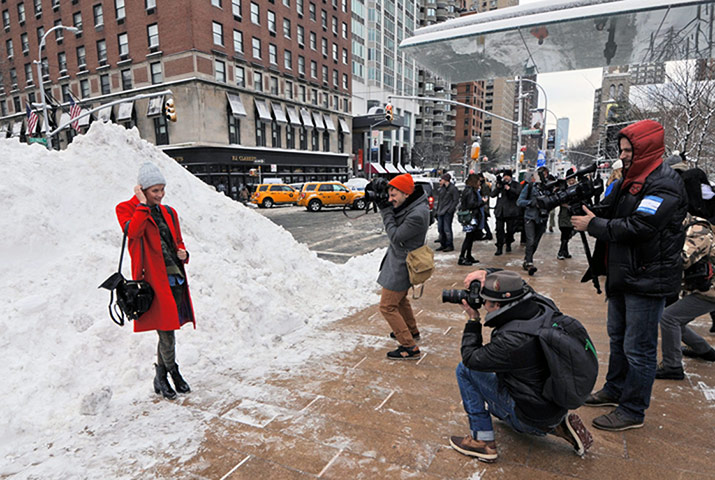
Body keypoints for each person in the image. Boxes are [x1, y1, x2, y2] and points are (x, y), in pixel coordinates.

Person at [572, 119, 687, 431]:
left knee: (639, 349)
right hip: (624, 275)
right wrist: (583, 206)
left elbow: (640, 226)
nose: (622, 156)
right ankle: (615, 388)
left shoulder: (665, 183)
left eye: (628, 150)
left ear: (646, 150)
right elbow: (611, 211)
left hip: (647, 280)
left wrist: (592, 226)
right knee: (619, 338)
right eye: (621, 150)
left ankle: (633, 409)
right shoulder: (630, 180)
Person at [450, 269, 593, 462]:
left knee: (465, 370)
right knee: (504, 370)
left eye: (486, 302)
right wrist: (488, 273)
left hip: (528, 416)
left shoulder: (512, 340)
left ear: (498, 304)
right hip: (553, 402)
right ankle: (557, 423)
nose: (483, 304)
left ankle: (482, 441)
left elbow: (471, 358)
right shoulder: (541, 304)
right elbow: (518, 284)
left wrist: (473, 320)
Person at [116, 162, 196, 400]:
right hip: (152, 280)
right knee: (167, 330)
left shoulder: (169, 212)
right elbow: (134, 232)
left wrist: (184, 252)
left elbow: (177, 241)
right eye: (155, 191)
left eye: (162, 190)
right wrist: (141, 205)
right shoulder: (126, 209)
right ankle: (171, 373)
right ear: (142, 190)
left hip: (176, 278)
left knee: (168, 328)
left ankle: (160, 377)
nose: (160, 195)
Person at [657, 168, 715, 379]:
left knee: (669, 318)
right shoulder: (695, 220)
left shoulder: (699, 227)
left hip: (709, 291)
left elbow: (682, 259)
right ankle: (704, 350)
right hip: (704, 287)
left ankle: (672, 366)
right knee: (674, 318)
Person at [376, 173, 430, 360]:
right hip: (400, 261)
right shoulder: (412, 205)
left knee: (387, 306)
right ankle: (411, 331)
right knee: (400, 301)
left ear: (406, 194)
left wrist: (385, 212)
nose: (391, 200)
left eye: (394, 196)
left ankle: (409, 346)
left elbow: (396, 236)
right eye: (389, 196)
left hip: (402, 264)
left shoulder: (417, 214)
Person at [516, 170, 548, 275]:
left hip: (542, 218)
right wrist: (531, 203)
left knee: (535, 242)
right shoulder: (529, 187)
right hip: (530, 217)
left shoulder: (548, 187)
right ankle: (529, 263)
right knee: (530, 240)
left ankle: (527, 259)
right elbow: (519, 201)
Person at [490, 170, 521, 256]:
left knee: (510, 230)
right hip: (500, 212)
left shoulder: (515, 184)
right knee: (499, 230)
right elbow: (492, 195)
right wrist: (498, 187)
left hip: (511, 212)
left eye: (507, 176)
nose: (506, 178)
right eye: (505, 176)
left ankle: (508, 243)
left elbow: (518, 193)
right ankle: (499, 247)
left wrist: (509, 189)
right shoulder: (501, 184)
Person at [458, 174, 484, 266]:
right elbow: (471, 204)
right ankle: (462, 257)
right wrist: (482, 202)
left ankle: (468, 255)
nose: (479, 183)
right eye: (478, 181)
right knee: (469, 237)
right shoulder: (470, 191)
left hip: (469, 217)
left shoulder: (468, 190)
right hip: (471, 217)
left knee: (470, 237)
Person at [435, 173, 460, 252]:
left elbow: (456, 200)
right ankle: (443, 244)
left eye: (441, 180)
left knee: (447, 229)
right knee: (440, 229)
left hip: (447, 212)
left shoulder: (452, 189)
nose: (440, 181)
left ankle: (449, 245)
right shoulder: (442, 189)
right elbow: (440, 200)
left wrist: (450, 210)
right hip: (441, 211)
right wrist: (437, 210)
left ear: (446, 180)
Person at [557, 175, 578, 260]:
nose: (571, 182)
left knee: (568, 234)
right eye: (570, 180)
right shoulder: (563, 190)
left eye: (573, 180)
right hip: (564, 217)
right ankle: (561, 252)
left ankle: (565, 251)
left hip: (571, 216)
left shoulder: (576, 189)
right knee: (565, 235)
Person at [478, 173, 493, 241]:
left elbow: (486, 196)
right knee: (482, 221)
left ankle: (488, 234)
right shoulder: (482, 186)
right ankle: (482, 233)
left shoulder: (484, 186)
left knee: (483, 221)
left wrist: (484, 203)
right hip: (483, 206)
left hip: (484, 206)